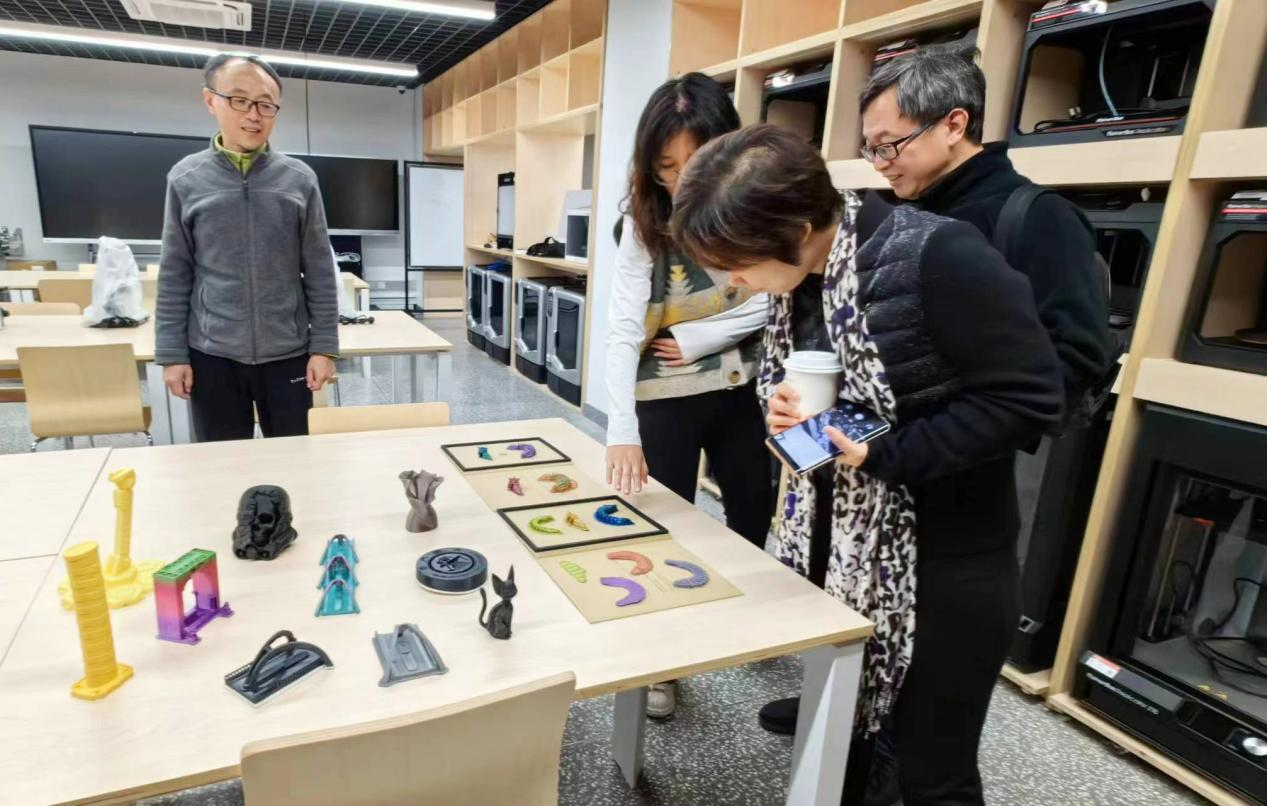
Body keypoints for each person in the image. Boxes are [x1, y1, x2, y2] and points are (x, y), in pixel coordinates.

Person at [670, 124, 1063, 806]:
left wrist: (884, 451)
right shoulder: (809, 275)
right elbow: (853, 395)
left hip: (944, 561)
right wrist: (793, 414)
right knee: (848, 747)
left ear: (797, 229)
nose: (732, 281)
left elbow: (1029, 400)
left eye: (736, 262)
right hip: (846, 546)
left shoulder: (940, 255)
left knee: (929, 772)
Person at [605, 73, 772, 718]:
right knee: (661, 525)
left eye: (695, 161)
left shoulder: (755, 204)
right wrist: (621, 430)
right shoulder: (641, 221)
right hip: (662, 391)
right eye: (666, 167)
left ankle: (748, 623)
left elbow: (774, 297)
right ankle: (663, 662)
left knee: (752, 508)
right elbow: (624, 329)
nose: (681, 180)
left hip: (739, 386)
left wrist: (698, 335)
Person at [857, 46, 1113, 412]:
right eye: (871, 150)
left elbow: (1074, 359)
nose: (879, 164)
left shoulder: (1041, 217)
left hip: (961, 437)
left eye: (887, 146)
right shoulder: (906, 210)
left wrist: (961, 425)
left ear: (954, 126)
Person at [156, 52, 338, 442]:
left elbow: (320, 270)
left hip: (288, 351)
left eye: (266, 105)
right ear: (211, 100)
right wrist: (172, 354)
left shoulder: (299, 180)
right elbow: (175, 272)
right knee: (222, 460)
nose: (254, 115)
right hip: (212, 354)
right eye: (240, 100)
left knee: (295, 457)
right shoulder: (186, 178)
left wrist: (323, 348)